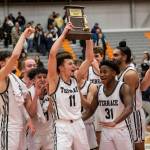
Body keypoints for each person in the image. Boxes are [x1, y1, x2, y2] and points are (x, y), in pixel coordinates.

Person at [47, 22, 93, 150]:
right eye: (70, 64)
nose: (74, 66)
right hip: (62, 126)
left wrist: (87, 36)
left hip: (78, 123)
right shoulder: (54, 81)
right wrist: (64, 33)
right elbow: (52, 54)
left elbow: (89, 59)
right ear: (61, 67)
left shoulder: (75, 79)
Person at [83, 60, 133, 150]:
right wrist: (77, 121)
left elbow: (129, 107)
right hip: (106, 131)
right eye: (101, 72)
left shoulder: (123, 87)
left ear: (113, 73)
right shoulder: (98, 91)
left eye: (105, 72)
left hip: (121, 130)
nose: (101, 75)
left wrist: (115, 122)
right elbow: (90, 110)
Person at [0, 27, 35, 150]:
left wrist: (28, 119)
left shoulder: (15, 78)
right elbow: (15, 55)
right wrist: (23, 36)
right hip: (7, 127)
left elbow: (20, 104)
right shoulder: (1, 76)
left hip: (21, 126)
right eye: (9, 59)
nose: (14, 60)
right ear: (2, 63)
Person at [113, 41, 145, 150]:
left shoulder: (130, 74)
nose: (113, 57)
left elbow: (129, 101)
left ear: (124, 57)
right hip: (125, 113)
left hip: (133, 114)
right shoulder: (121, 72)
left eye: (116, 55)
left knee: (138, 145)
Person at [27, 67, 54, 150]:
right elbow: (31, 114)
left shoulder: (51, 91)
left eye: (45, 77)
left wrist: (50, 94)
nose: (42, 79)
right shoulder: (28, 93)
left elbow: (52, 110)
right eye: (39, 77)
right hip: (35, 132)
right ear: (33, 80)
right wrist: (36, 95)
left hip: (49, 131)